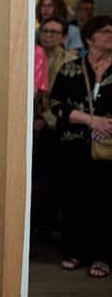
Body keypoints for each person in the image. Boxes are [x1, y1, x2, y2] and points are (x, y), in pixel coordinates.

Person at [49, 15, 112, 278]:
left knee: (106, 201)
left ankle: (102, 257)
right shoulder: (71, 69)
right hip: (75, 146)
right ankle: (75, 251)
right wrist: (90, 120)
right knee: (75, 198)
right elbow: (56, 105)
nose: (110, 35)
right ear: (89, 37)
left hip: (108, 148)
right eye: (105, 31)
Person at [32, 16, 77, 239]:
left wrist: (45, 119)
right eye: (45, 31)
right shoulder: (31, 56)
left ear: (64, 37)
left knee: (52, 179)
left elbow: (66, 100)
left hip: (56, 126)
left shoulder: (70, 62)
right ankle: (36, 225)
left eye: (54, 32)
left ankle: (48, 225)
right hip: (32, 121)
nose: (48, 35)